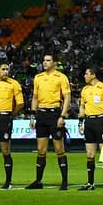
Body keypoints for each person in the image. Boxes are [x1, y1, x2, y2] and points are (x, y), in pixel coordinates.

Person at [26, 54, 71, 190]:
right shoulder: (38, 78)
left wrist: (62, 116)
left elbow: (67, 97)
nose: (45, 63)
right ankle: (38, 181)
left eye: (48, 60)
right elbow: (34, 97)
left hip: (54, 114)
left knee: (59, 149)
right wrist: (33, 116)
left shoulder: (61, 77)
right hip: (41, 115)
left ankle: (64, 182)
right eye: (44, 60)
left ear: (54, 63)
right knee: (41, 149)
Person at [76, 64, 103, 190]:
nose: (85, 76)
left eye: (87, 74)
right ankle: (90, 183)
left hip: (100, 121)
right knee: (89, 154)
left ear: (93, 75)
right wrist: (80, 122)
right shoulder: (84, 90)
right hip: (89, 122)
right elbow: (82, 107)